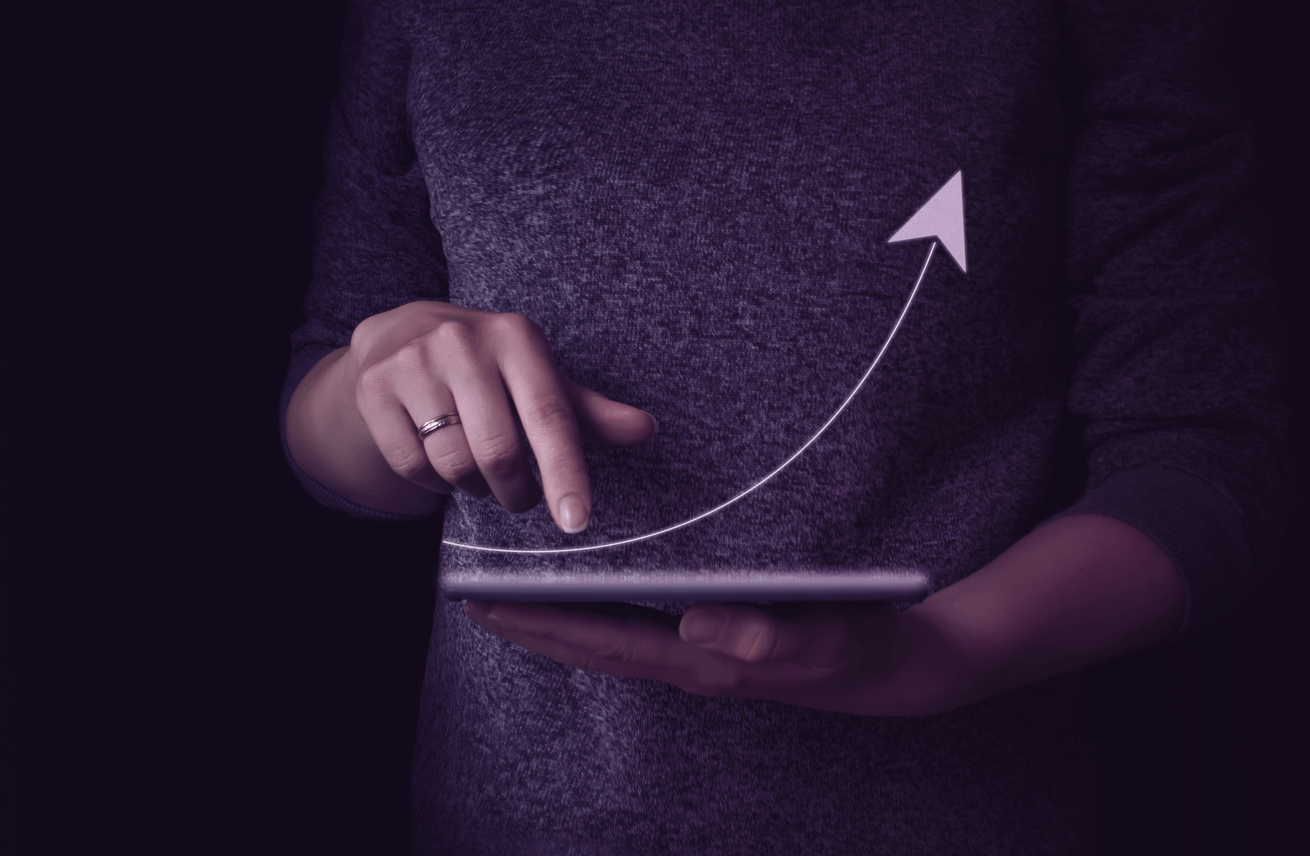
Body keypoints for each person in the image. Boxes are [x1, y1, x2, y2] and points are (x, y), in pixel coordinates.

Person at [281, 0, 1294, 852]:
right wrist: (382, 385)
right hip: (490, 821)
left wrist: (941, 652)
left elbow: (1208, 451)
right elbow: (324, 419)